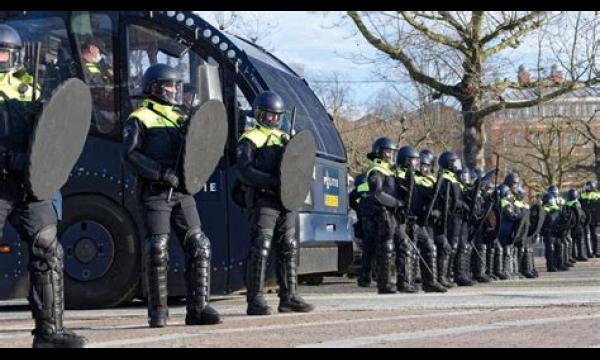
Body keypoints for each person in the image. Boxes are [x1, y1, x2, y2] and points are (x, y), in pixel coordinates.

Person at [0, 24, 86, 348]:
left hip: (27, 185)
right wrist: (9, 158)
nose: (1, 57)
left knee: (49, 249)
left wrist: (43, 116)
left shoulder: (29, 86)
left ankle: (49, 332)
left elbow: (51, 133)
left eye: (4, 52)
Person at [122, 63, 221, 327]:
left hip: (183, 192)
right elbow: (130, 155)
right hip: (155, 193)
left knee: (200, 245)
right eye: (169, 85)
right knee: (157, 248)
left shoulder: (182, 116)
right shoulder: (140, 116)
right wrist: (161, 173)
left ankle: (198, 309)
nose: (174, 90)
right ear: (154, 87)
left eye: (176, 85)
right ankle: (158, 311)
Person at [235, 90, 314, 314]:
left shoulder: (285, 138)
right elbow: (244, 170)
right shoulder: (249, 139)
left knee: (289, 246)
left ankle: (289, 296)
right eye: (268, 115)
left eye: (276, 116)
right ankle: (255, 299)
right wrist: (272, 182)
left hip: (286, 200)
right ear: (259, 114)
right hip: (263, 199)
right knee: (261, 246)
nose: (272, 119)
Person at [396, 145, 447, 293]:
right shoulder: (398, 175)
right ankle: (405, 282)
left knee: (430, 247)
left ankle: (430, 282)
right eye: (412, 160)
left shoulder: (419, 178)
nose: (416, 164)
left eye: (416, 161)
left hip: (418, 220)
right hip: (403, 220)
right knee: (408, 250)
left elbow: (424, 195)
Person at [360, 137, 405, 294]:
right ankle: (384, 284)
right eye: (388, 151)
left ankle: (404, 281)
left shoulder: (390, 170)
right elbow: (377, 193)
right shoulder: (376, 170)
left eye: (392, 152)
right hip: (382, 213)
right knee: (385, 247)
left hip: (392, 213)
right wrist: (397, 203)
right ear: (379, 152)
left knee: (402, 245)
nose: (391, 155)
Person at [350, 172, 377, 288]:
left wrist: (359, 209)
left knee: (367, 252)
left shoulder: (360, 188)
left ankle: (365, 278)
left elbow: (351, 199)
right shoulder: (376, 186)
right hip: (375, 221)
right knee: (377, 251)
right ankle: (376, 275)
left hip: (364, 221)